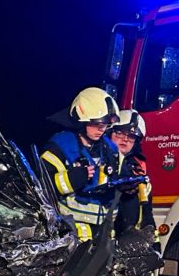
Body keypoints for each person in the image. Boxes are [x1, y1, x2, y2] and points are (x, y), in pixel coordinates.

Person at [41, 87, 121, 241]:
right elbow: (42, 187)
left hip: (105, 231)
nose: (101, 130)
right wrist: (71, 180)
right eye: (97, 124)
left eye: (105, 125)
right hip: (72, 233)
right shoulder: (60, 147)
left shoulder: (109, 148)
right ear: (81, 120)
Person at [108, 109, 155, 236]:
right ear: (109, 133)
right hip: (101, 234)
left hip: (127, 237)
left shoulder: (138, 168)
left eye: (131, 136)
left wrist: (153, 244)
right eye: (120, 133)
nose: (125, 139)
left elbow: (146, 211)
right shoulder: (99, 158)